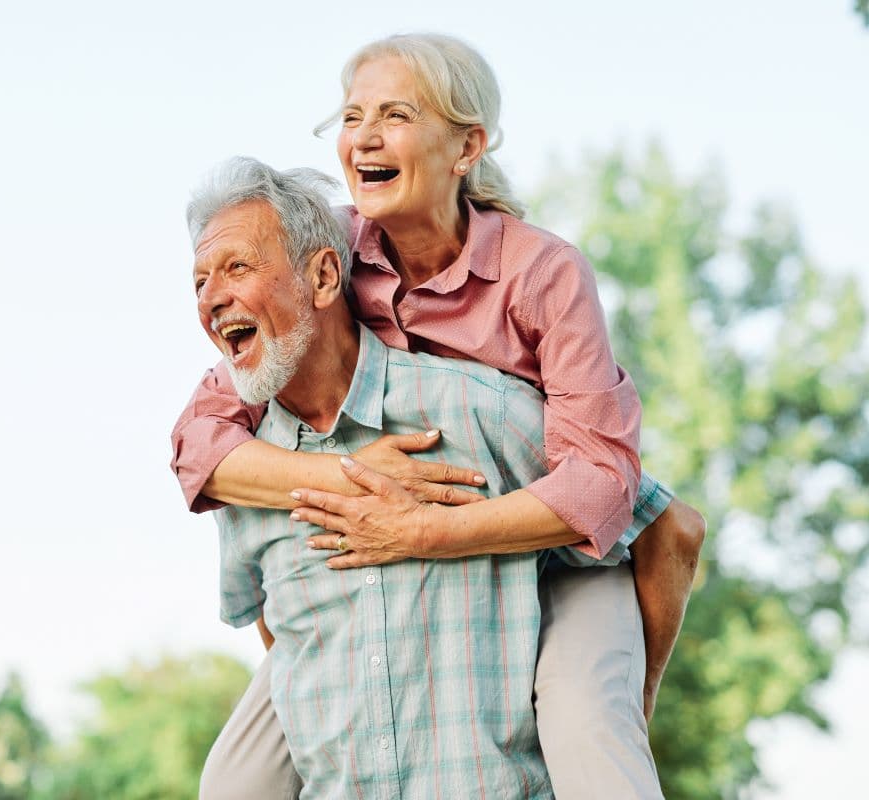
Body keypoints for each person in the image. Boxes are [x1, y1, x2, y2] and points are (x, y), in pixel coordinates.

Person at [176, 34, 705, 800]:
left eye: (395, 114)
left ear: (468, 147)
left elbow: (603, 491)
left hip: (551, 550)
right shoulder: (330, 251)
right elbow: (198, 441)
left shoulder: (542, 274)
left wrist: (421, 530)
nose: (364, 136)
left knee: (591, 732)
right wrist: (347, 479)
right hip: (386, 551)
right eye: (353, 116)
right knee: (233, 781)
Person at [192, 155, 593, 797]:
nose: (212, 299)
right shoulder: (242, 478)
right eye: (200, 282)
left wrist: (628, 699)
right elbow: (283, 638)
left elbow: (639, 521)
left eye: (237, 267)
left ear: (325, 277)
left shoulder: (478, 410)